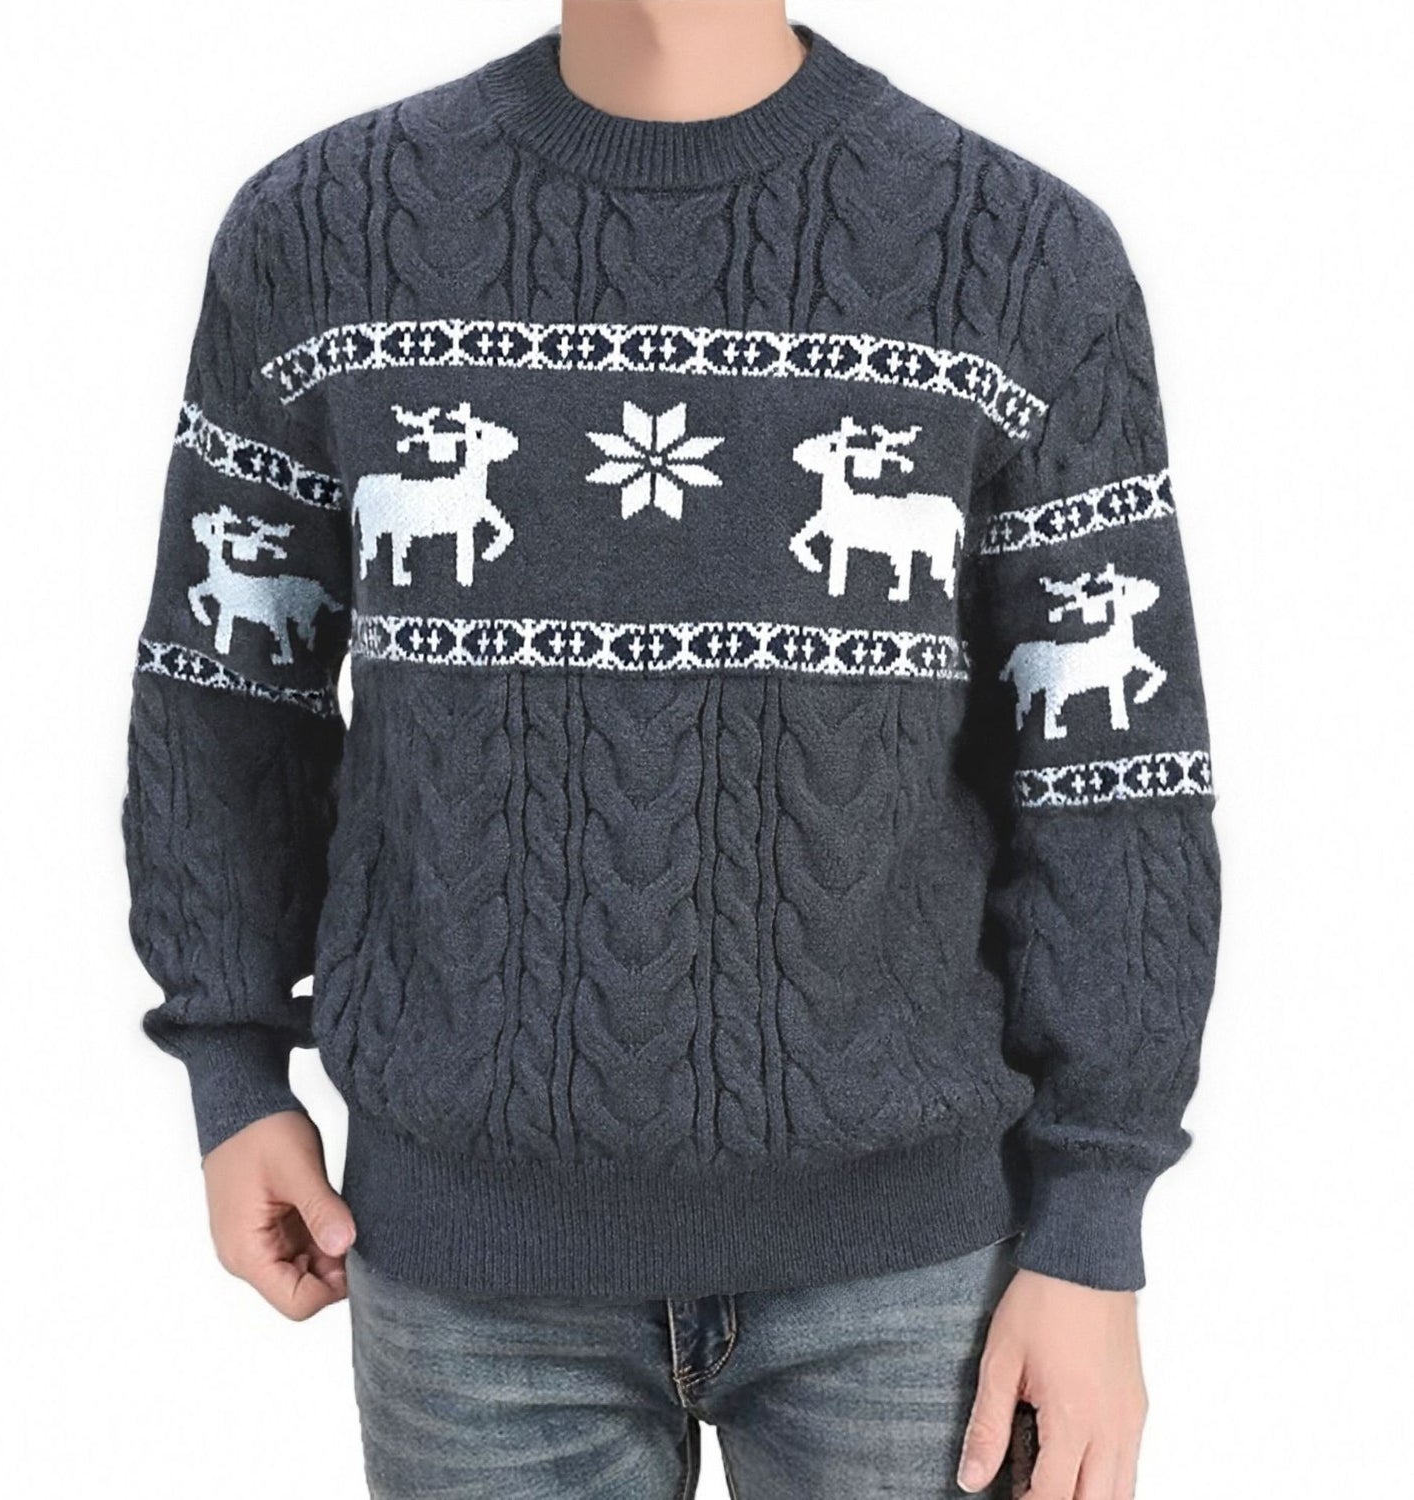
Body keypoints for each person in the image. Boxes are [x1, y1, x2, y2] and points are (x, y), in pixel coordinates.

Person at [120, 2, 1222, 1495]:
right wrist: (233, 1069)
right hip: (464, 1269)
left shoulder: (1023, 256)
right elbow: (226, 691)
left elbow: (1110, 775)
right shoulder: (320, 232)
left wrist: (1094, 1224)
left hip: (913, 1281)